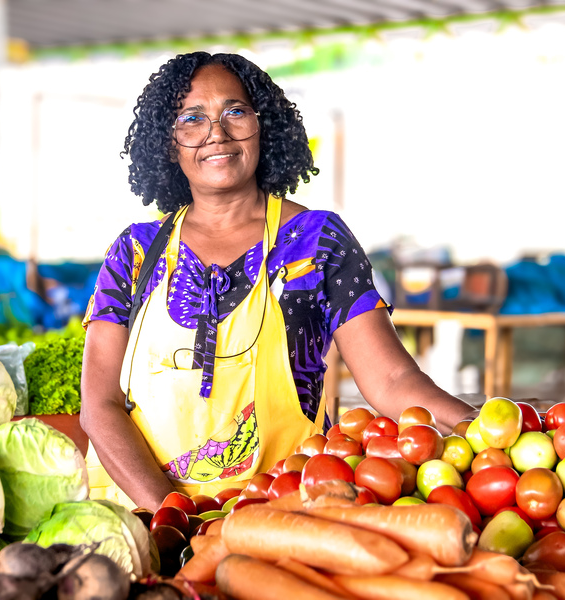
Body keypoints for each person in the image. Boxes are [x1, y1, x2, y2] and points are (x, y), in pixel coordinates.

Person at [80, 51, 476, 512]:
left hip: (281, 516)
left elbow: (391, 378)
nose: (216, 132)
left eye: (235, 111)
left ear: (262, 125)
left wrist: (477, 426)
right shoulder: (135, 252)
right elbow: (100, 404)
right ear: (169, 144)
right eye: (192, 118)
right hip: (145, 516)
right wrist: (171, 516)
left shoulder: (316, 242)